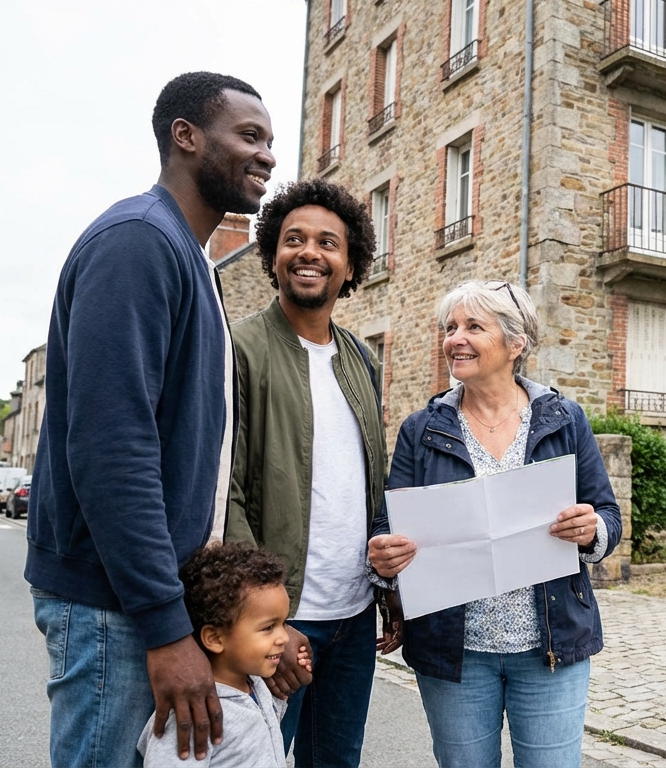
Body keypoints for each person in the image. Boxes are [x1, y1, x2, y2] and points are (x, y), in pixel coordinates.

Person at [26, 71, 275, 767]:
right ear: (186, 137)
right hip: (115, 608)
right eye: (249, 136)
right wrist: (166, 630)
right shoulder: (138, 242)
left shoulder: (188, 258)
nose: (268, 156)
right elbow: (113, 448)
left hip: (141, 601)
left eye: (271, 140)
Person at [368, 280, 622, 768]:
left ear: (515, 344)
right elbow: (387, 526)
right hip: (454, 651)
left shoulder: (564, 419)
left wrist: (591, 531)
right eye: (450, 328)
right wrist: (382, 554)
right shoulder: (422, 429)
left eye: (473, 327)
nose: (455, 338)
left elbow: (607, 515)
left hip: (551, 647)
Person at [226, 178, 405, 766]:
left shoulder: (361, 358)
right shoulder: (240, 348)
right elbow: (223, 488)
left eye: (328, 242)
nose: (310, 252)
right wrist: (264, 616)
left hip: (353, 616)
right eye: (293, 239)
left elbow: (371, 482)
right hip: (280, 619)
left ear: (349, 262)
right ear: (272, 255)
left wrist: (388, 589)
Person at [139, 542, 310, 767]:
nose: (284, 638)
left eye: (283, 623)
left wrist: (281, 695)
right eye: (268, 628)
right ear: (215, 638)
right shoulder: (194, 715)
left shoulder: (256, 684)